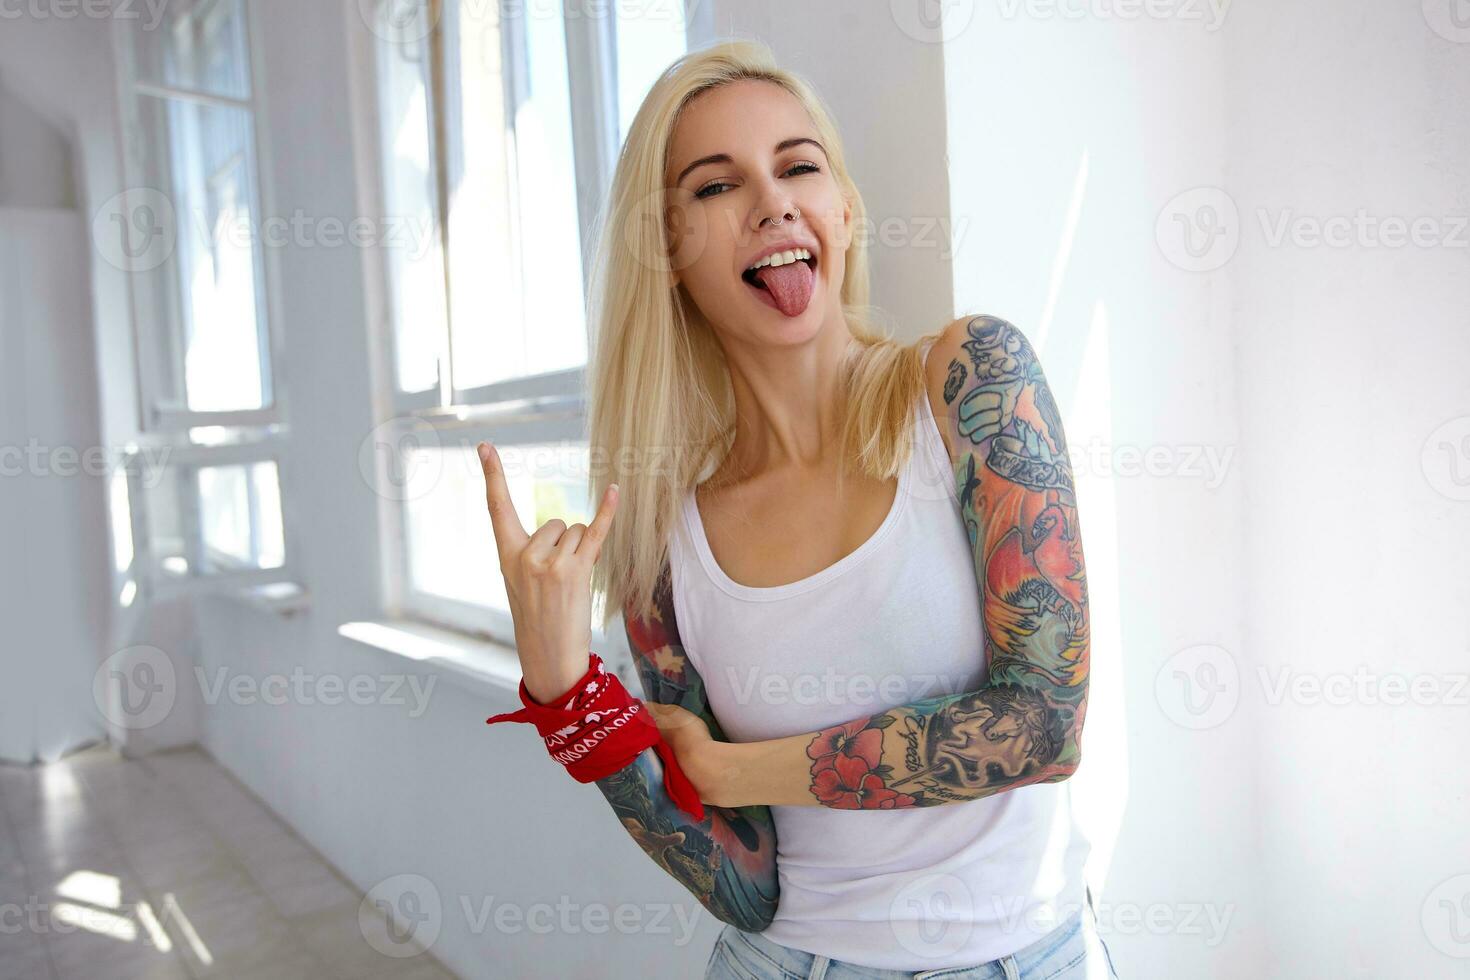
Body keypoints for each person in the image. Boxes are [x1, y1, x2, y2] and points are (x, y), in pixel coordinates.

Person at [477, 39, 1119, 980]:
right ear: (665, 250)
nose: (773, 201)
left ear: (845, 211)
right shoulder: (663, 544)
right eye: (715, 186)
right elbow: (746, 884)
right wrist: (569, 695)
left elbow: (1044, 724)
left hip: (1036, 956)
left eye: (798, 165)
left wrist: (741, 769)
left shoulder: (970, 384)